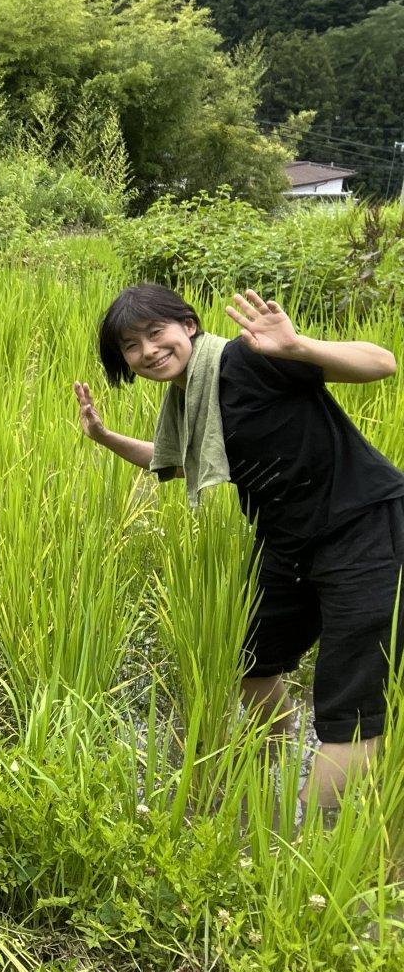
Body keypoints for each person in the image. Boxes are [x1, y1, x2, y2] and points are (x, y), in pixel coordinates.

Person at [74, 286, 403, 812]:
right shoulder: (192, 395)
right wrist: (105, 436)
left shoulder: (250, 358)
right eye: (131, 346)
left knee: (352, 703)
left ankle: (304, 845)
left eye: (155, 332)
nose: (148, 350)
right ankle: (275, 764)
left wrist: (300, 348)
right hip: (289, 543)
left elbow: (380, 362)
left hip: (362, 531)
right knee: (252, 663)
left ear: (188, 324)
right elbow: (177, 462)